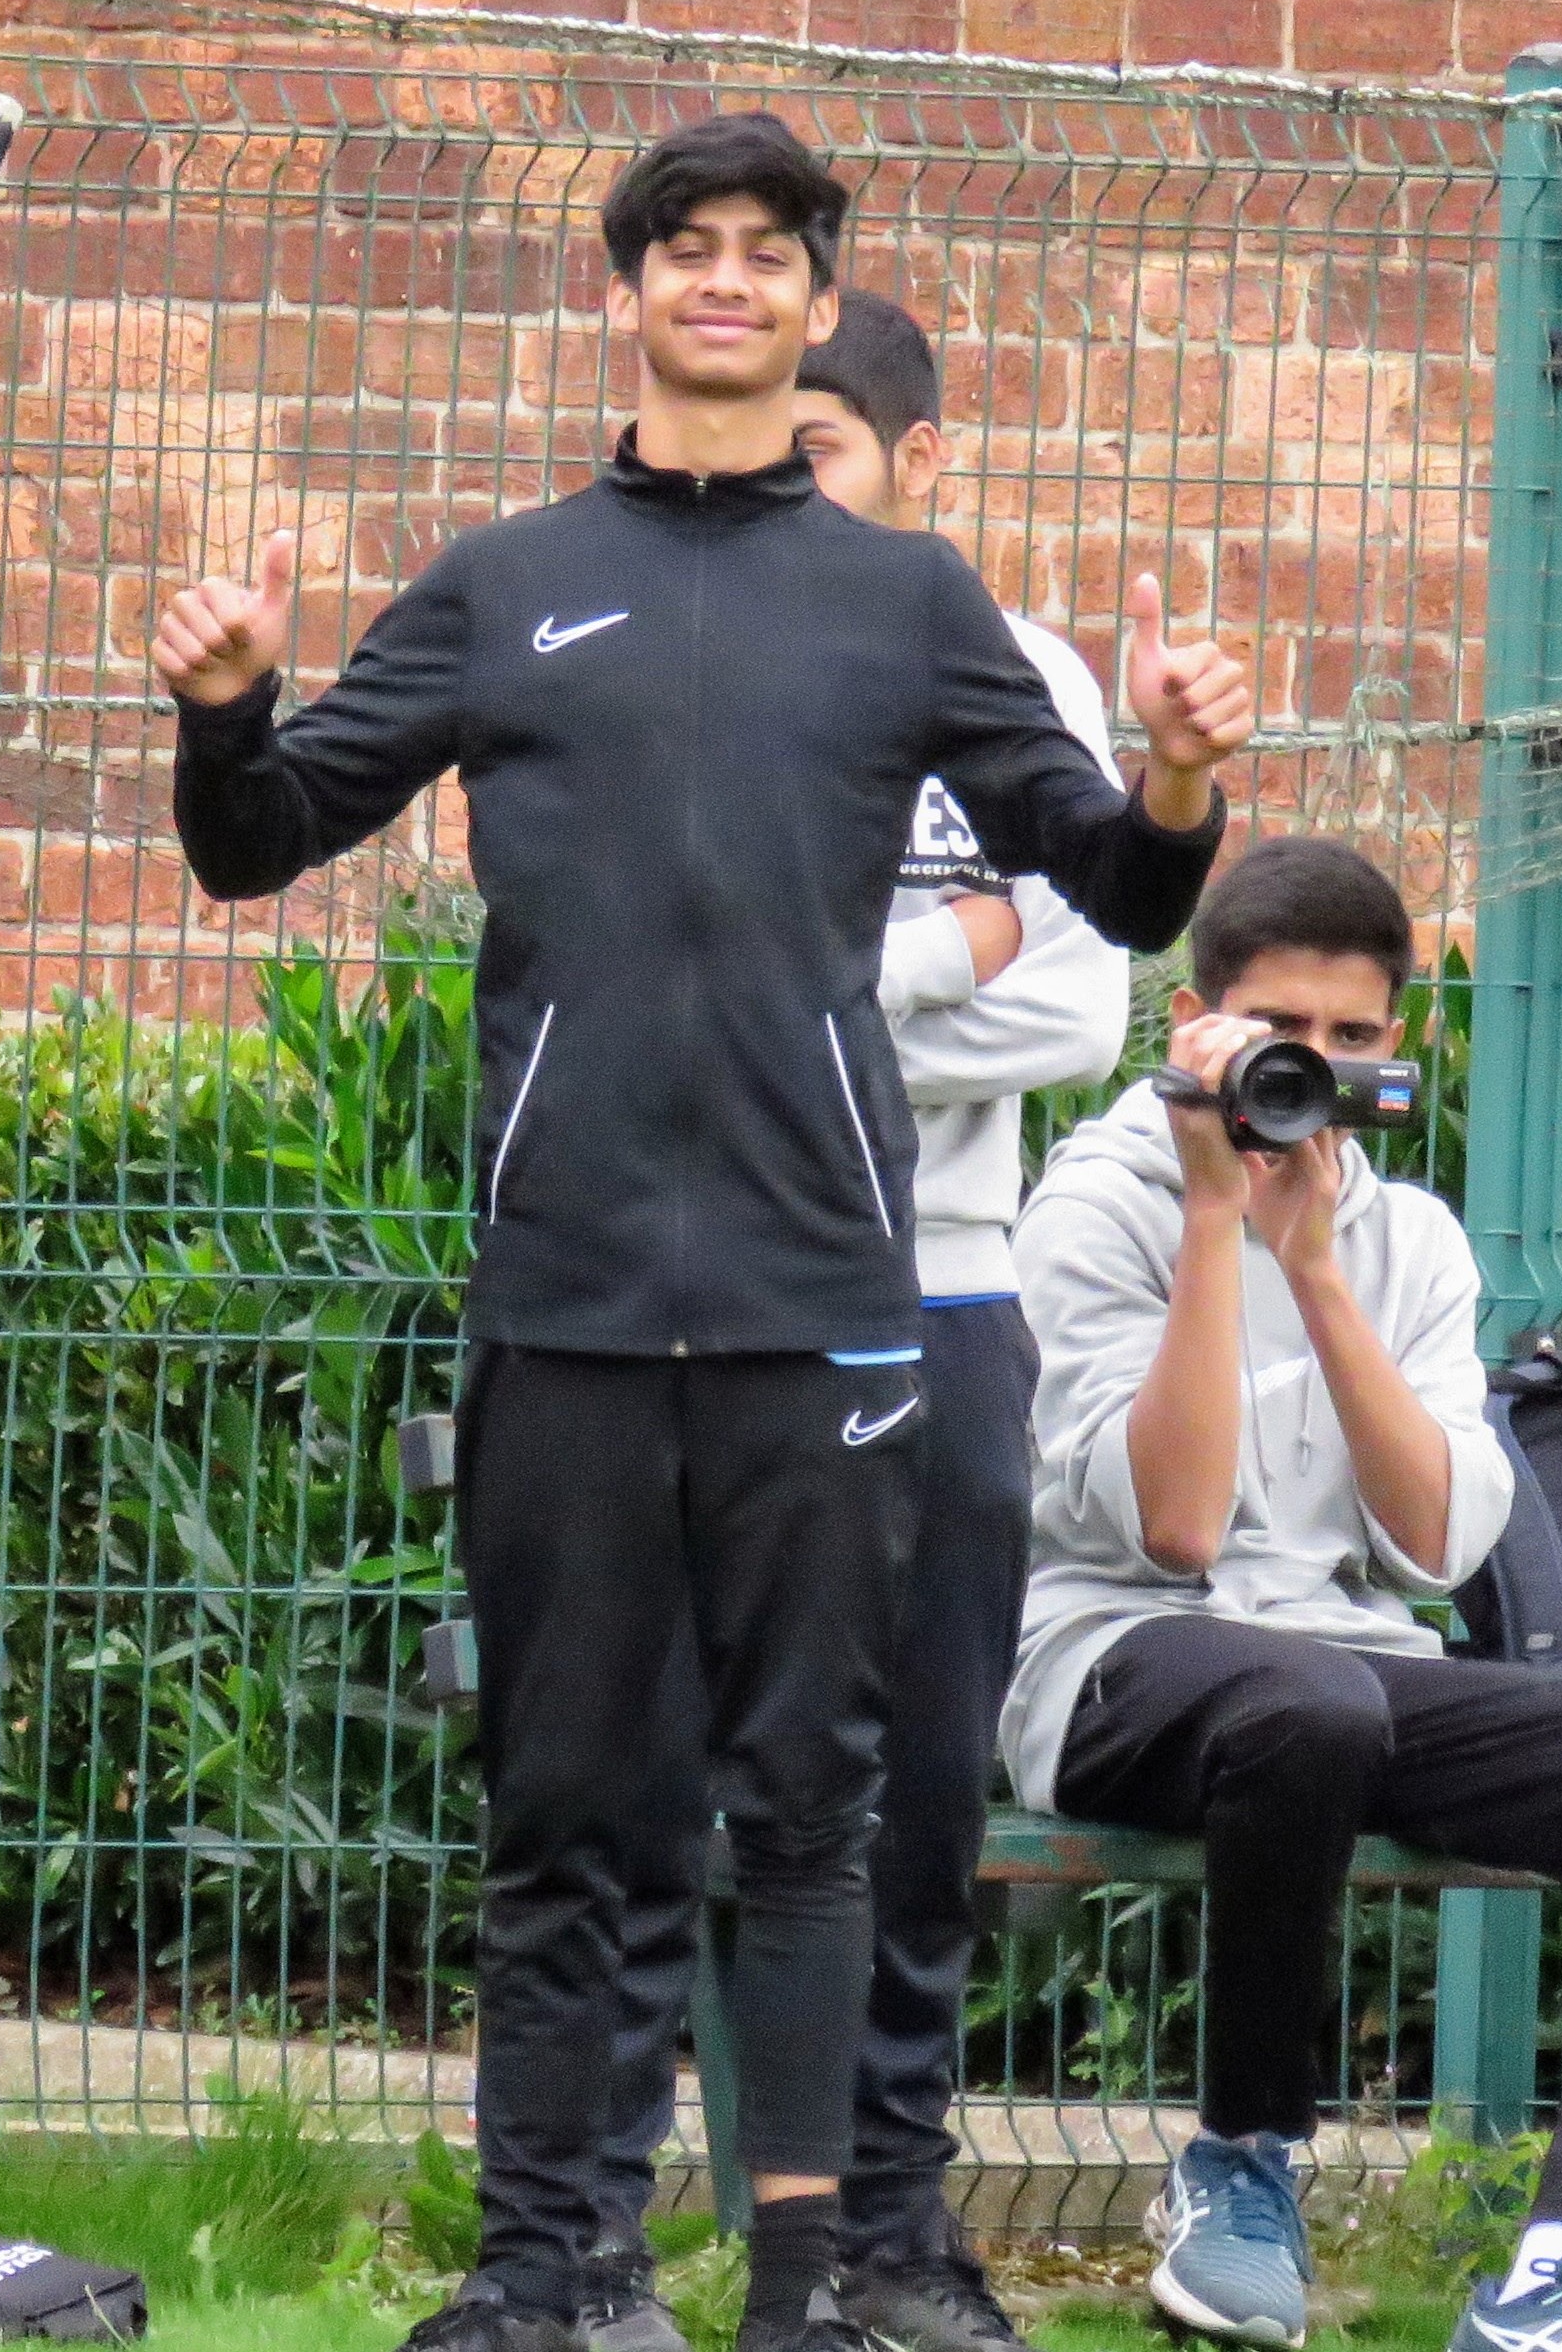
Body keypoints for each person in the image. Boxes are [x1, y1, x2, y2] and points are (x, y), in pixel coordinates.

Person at [151, 112, 1251, 2352]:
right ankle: (535, 2276)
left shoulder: (908, 603)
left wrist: (1168, 779)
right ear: (621, 288)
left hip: (820, 1318)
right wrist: (222, 704)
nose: (725, 283)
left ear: (814, 304)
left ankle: (799, 2288)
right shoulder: (502, 572)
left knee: (811, 1820)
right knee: (570, 1815)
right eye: (685, 249)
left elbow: (1115, 889)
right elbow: (253, 845)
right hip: (560, 1305)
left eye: (768, 255)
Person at [1006, 837, 1562, 2352]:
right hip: (1119, 1658)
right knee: (1311, 1700)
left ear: (1394, 1044)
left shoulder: (1408, 1236)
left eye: (1355, 1036)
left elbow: (1431, 1543)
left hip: (1350, 1669)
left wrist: (1316, 1269)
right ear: (1200, 1024)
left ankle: (1561, 2266)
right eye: (1281, 1031)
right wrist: (1217, 1220)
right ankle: (1242, 2163)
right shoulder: (1097, 1200)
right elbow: (1170, 1529)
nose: (1319, 1064)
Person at [589, 287, 1136, 2352]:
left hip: (945, 1300)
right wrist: (937, 953)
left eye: (815, 446)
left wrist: (837, 983)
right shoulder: (664, 643)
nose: (771, 478)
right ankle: (593, 2237)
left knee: (911, 1802)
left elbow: (1086, 1000)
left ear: (917, 458)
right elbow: (640, 988)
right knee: (641, 1781)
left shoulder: (1020, 678)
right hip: (681, 1298)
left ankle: (895, 2239)